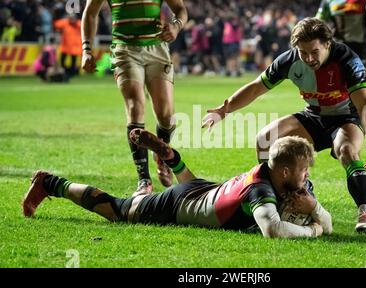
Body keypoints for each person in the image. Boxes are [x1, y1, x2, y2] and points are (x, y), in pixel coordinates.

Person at [202, 18, 366, 233]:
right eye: (303, 53)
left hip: (345, 118)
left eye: (314, 52)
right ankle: (282, 201)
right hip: (312, 116)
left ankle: (365, 211)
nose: (308, 58)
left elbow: (365, 103)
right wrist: (224, 110)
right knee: (265, 139)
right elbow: (256, 87)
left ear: (327, 44)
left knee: (347, 149)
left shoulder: (347, 60)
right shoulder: (290, 60)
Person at [22, 129, 332, 239]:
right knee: (118, 211)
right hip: (180, 202)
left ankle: (171, 158)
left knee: (197, 191)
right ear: (286, 171)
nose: (309, 176)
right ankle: (50, 183)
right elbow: (274, 232)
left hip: (204, 190)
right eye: (304, 170)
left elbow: (327, 222)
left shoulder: (290, 184)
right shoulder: (260, 191)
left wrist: (315, 207)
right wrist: (312, 229)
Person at [81, 0, 188, 196]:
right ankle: (143, 180)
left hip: (157, 48)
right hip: (125, 50)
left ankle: (161, 155)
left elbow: (180, 9)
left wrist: (175, 26)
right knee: (135, 106)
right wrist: (86, 49)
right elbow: (90, 13)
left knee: (166, 116)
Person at [316, 0, 366, 67]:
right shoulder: (328, 1)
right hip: (337, 46)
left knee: (358, 76)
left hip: (359, 46)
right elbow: (317, 22)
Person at [54, 14, 82, 78]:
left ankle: (71, 73)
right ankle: (66, 71)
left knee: (73, 62)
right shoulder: (65, 23)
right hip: (66, 46)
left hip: (75, 47)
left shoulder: (78, 24)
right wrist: (66, 19)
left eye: (73, 18)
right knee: (62, 61)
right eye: (70, 18)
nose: (72, 20)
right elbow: (56, 24)